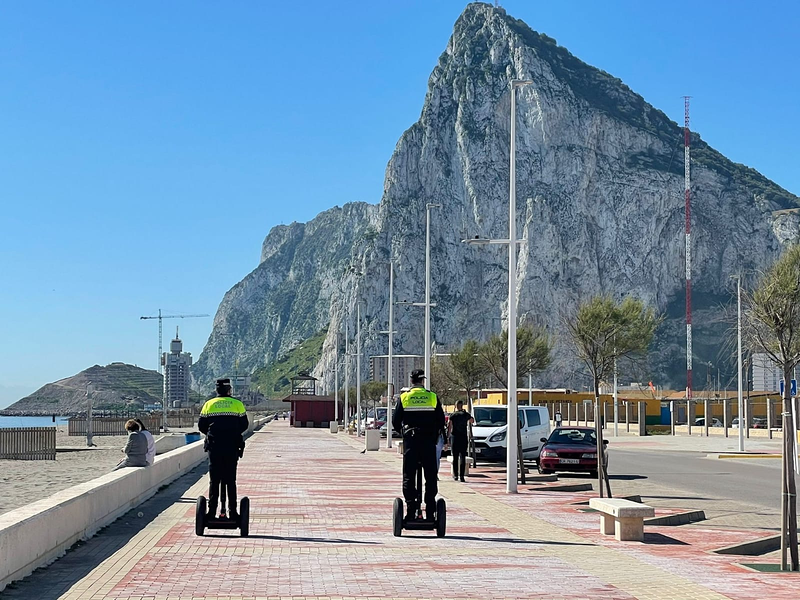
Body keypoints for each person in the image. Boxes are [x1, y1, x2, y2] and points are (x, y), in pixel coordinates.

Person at [392, 369, 445, 521]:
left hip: (411, 442)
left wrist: (404, 433)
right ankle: (430, 509)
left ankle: (410, 509)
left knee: (409, 475)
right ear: (423, 381)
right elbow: (441, 421)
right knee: (430, 476)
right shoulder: (432, 397)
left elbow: (396, 421)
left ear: (411, 381)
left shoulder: (404, 397)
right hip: (428, 442)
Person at [198, 378, 249, 520]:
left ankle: (211, 512)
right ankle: (233, 512)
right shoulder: (237, 404)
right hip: (232, 447)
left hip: (214, 447)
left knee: (214, 481)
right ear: (229, 390)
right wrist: (232, 433)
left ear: (216, 390)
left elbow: (201, 426)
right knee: (230, 480)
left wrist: (214, 434)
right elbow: (244, 425)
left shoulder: (208, 404)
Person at [447, 400, 474, 482]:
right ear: (462, 406)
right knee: (463, 457)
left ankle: (455, 476)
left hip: (455, 437)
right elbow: (472, 421)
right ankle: (462, 476)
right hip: (463, 437)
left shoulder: (453, 415)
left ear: (456, 406)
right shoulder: (465, 414)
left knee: (455, 457)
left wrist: (448, 437)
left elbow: (449, 426)